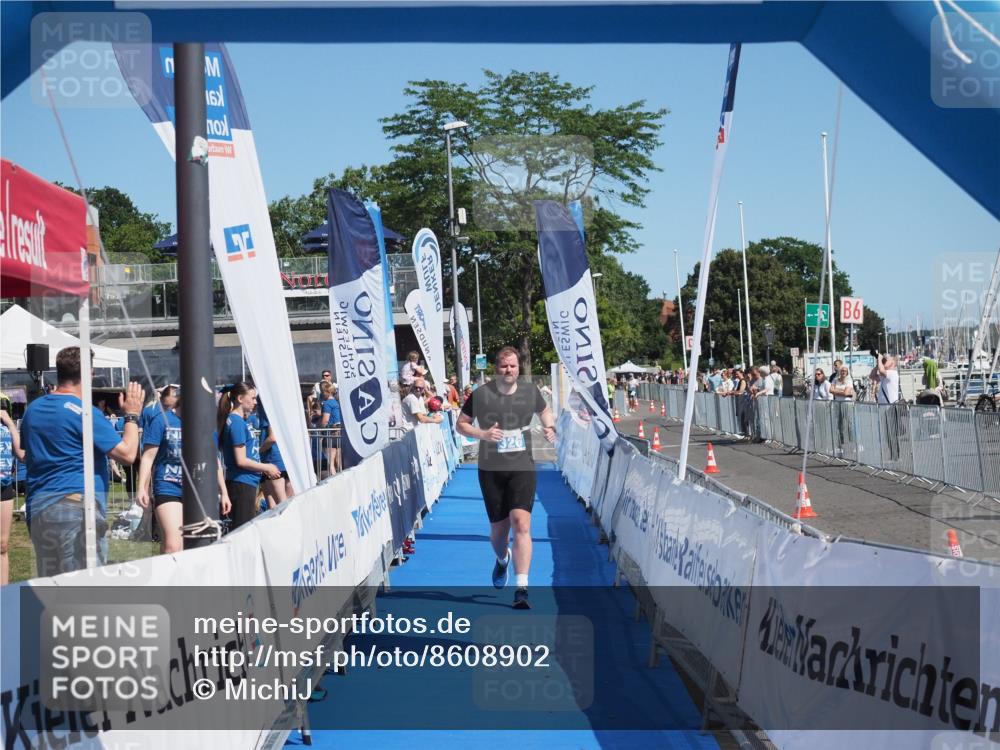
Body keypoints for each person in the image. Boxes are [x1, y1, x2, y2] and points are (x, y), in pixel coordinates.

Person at [19, 347, 145, 575]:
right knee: (84, 589)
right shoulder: (84, 412)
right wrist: (132, 416)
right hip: (75, 507)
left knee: (51, 587)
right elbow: (127, 455)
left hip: (39, 508)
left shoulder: (33, 410)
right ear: (89, 373)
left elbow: (27, 455)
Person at [456, 346, 557, 610]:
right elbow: (461, 424)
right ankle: (502, 560)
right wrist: (483, 435)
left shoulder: (530, 391)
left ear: (518, 367)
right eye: (503, 366)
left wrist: (549, 426)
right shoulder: (481, 395)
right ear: (496, 368)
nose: (508, 370)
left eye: (512, 366)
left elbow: (545, 411)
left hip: (522, 465)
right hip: (491, 469)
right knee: (499, 532)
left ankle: (522, 588)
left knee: (521, 523)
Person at [136, 394, 231, 554]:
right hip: (168, 487)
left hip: (197, 491)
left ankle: (174, 576)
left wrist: (224, 492)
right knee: (174, 545)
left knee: (193, 546)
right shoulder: (162, 420)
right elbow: (148, 457)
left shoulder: (205, 426)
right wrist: (142, 488)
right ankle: (168, 576)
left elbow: (215, 461)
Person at [218, 382, 280, 531]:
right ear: (240, 398)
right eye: (252, 398)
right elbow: (241, 460)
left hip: (246, 482)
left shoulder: (239, 421)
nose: (255, 402)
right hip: (241, 483)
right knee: (241, 532)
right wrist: (267, 467)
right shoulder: (237, 423)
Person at [1, 405, 25, 584]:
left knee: (2, 545)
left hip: (4, 488)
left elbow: (22, 454)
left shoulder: (6, 429)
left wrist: (10, 423)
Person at [318, 382, 342, 476]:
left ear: (326, 392)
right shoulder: (337, 403)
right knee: (338, 463)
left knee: (330, 463)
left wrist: (319, 426)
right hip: (338, 434)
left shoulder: (326, 404)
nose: (321, 394)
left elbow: (325, 420)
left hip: (330, 435)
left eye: (322, 391)